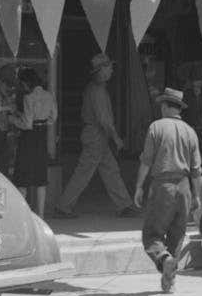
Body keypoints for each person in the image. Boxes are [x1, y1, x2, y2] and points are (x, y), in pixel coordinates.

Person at [53, 53, 138, 219]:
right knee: (84, 172)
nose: (112, 70)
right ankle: (63, 207)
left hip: (97, 136)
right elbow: (104, 119)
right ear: (102, 70)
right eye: (109, 67)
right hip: (96, 135)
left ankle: (124, 205)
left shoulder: (96, 88)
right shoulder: (97, 91)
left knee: (110, 170)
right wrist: (116, 138)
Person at [133, 88, 201, 293]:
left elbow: (146, 162)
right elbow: (196, 170)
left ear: (164, 106)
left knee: (151, 234)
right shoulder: (190, 131)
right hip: (184, 187)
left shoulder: (156, 127)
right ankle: (169, 280)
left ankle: (164, 259)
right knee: (177, 235)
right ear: (179, 108)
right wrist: (197, 196)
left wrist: (138, 187)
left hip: (163, 186)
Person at [13, 68, 58, 218]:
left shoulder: (29, 97)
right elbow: (53, 117)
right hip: (42, 135)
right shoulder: (49, 95)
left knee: (22, 177)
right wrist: (43, 121)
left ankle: (22, 215)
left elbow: (27, 124)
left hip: (29, 138)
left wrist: (12, 119)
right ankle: (42, 215)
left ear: (27, 83)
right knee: (40, 178)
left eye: (23, 84)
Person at [0, 64, 22, 178]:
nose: (9, 88)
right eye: (7, 84)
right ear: (0, 82)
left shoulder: (7, 95)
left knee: (4, 170)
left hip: (5, 136)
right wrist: (5, 108)